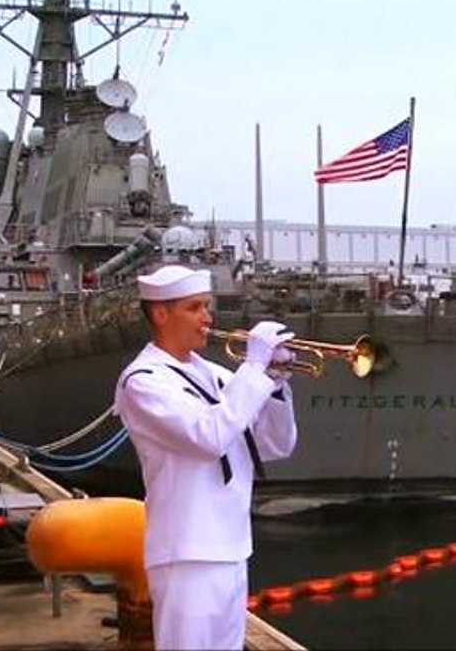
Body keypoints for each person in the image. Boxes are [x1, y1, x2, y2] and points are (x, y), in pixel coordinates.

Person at [113, 264, 299, 650]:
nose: (207, 317)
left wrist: (276, 385)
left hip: (231, 546)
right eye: (194, 307)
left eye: (207, 306)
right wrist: (252, 368)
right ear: (161, 314)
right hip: (186, 551)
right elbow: (209, 436)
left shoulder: (213, 374)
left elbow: (274, 446)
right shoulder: (144, 381)